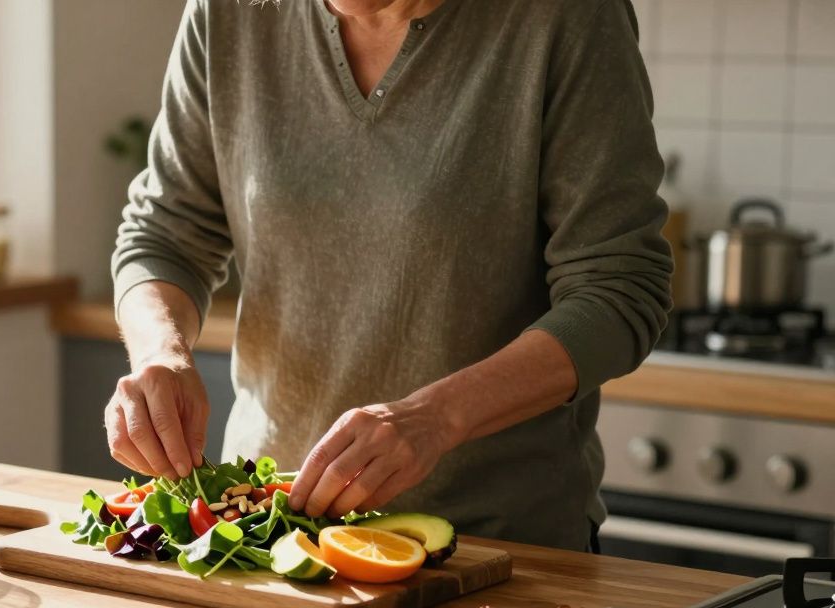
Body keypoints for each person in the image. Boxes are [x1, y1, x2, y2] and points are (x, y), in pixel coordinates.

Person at [105, 0, 672, 551]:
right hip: (269, 534)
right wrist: (162, 354)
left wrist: (437, 417)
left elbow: (617, 289)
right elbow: (165, 234)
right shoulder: (228, 12)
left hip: (498, 547)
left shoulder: (565, 16)